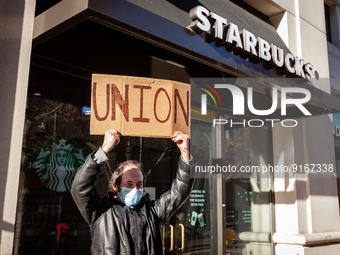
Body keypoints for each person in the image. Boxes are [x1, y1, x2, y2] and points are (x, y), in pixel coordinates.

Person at [71, 129, 195, 255]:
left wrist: (185, 153)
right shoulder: (101, 211)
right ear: (115, 186)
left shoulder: (153, 211)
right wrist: (103, 151)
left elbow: (181, 190)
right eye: (128, 184)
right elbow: (80, 188)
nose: (135, 189)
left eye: (139, 184)